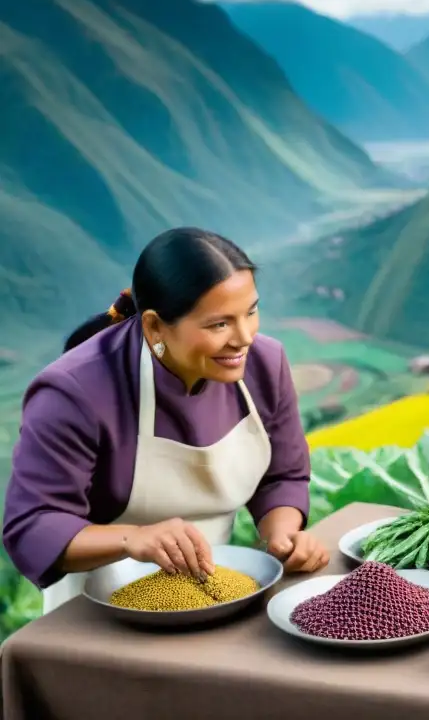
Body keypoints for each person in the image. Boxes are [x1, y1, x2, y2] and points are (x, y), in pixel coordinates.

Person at [3, 227, 329, 614]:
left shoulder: (265, 363)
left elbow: (283, 476)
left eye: (251, 312)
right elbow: (31, 526)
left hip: (215, 595)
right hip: (95, 613)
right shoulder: (74, 393)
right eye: (219, 324)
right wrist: (132, 540)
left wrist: (283, 536)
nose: (244, 337)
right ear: (155, 326)